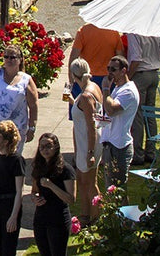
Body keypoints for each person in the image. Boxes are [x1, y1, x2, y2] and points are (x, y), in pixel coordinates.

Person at [29, 133, 74, 256]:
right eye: (42, 147)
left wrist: (51, 185)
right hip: (41, 218)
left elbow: (71, 199)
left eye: (48, 146)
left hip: (58, 219)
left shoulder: (66, 170)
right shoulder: (38, 167)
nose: (45, 150)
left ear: (56, 147)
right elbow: (34, 191)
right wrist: (35, 198)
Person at [98, 55, 139, 188]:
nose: (109, 72)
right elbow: (110, 115)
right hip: (110, 144)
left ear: (123, 71)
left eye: (113, 69)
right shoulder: (118, 88)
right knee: (110, 188)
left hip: (120, 147)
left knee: (118, 190)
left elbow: (111, 110)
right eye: (108, 68)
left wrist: (105, 89)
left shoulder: (129, 91)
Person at [68, 57, 101, 221]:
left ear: (74, 75)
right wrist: (72, 101)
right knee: (81, 180)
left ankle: (96, 217)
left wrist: (90, 152)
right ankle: (85, 214)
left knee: (90, 182)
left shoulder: (87, 96)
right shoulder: (92, 87)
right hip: (84, 142)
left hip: (88, 142)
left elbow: (91, 125)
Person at [0, 120, 24, 256]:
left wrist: (13, 217)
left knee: (8, 248)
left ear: (6, 141)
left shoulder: (16, 160)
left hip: (10, 205)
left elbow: (19, 191)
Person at [126, 34, 160, 165]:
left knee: (137, 115)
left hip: (141, 74)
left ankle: (137, 154)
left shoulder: (134, 33)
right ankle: (151, 152)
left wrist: (127, 78)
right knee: (150, 114)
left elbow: (136, 58)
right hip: (154, 73)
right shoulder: (154, 30)